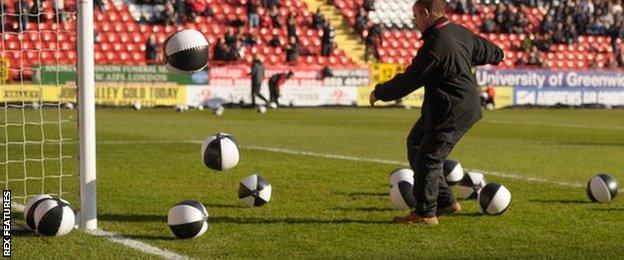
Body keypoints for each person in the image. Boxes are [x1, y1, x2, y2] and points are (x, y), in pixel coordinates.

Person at [369, 0, 503, 225]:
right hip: (449, 107)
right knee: (416, 143)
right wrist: (466, 57)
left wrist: (380, 92)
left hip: (451, 111)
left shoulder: (436, 46)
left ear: (425, 13)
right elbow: (495, 53)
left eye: (415, 17)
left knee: (428, 158)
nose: (415, 22)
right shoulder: (459, 32)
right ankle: (445, 201)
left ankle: (425, 213)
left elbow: (410, 80)